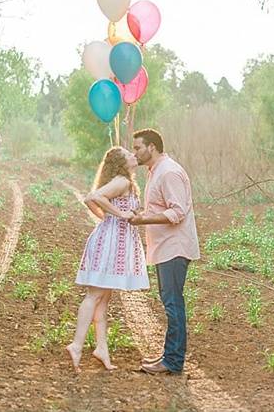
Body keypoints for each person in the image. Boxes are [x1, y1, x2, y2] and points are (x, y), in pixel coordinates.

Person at [66, 146, 148, 372]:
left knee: (103, 300)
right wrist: (118, 215)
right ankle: (77, 344)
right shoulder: (121, 180)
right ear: (121, 162)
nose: (134, 155)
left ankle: (101, 349)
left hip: (115, 241)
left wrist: (107, 215)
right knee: (94, 295)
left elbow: (95, 200)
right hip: (110, 243)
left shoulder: (127, 183)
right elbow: (93, 197)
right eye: (129, 154)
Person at [129, 129, 200, 375]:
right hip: (165, 247)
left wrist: (143, 221)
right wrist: (142, 213)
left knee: (173, 303)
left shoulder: (168, 172)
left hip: (174, 248)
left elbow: (177, 212)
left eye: (138, 148)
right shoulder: (155, 171)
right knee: (170, 302)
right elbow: (160, 207)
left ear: (152, 147)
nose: (134, 152)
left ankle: (173, 361)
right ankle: (170, 356)